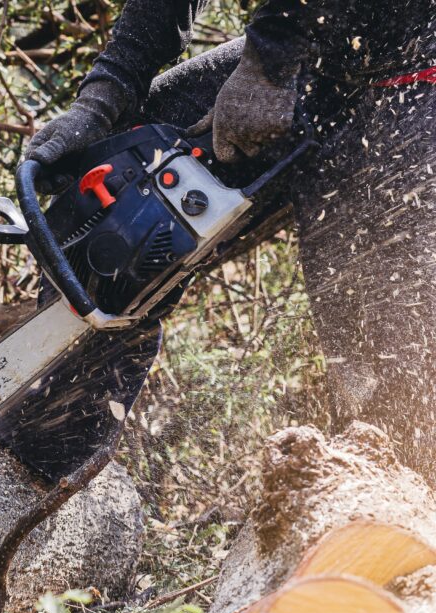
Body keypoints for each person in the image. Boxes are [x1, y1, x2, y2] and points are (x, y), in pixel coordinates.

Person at [24, 1, 436, 484]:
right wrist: (105, 94)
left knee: (391, 354)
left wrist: (269, 64)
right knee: (116, 194)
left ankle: (394, 523)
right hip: (315, 53)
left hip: (417, 72)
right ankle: (42, 471)